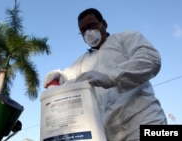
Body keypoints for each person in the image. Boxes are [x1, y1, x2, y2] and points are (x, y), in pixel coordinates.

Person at [43, 8, 167, 141]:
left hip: (145, 122)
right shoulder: (82, 61)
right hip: (110, 134)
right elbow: (67, 77)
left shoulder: (125, 38)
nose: (88, 33)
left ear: (104, 24)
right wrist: (57, 76)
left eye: (91, 26)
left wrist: (111, 77)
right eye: (83, 30)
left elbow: (150, 60)